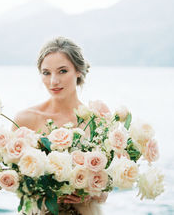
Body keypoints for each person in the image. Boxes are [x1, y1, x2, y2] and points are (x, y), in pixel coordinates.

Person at [13, 36, 107, 215]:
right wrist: (43, 189)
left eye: (62, 71)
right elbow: (17, 184)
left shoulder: (97, 120)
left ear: (78, 71)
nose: (53, 81)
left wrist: (93, 194)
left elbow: (106, 186)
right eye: (46, 72)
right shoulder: (25, 120)